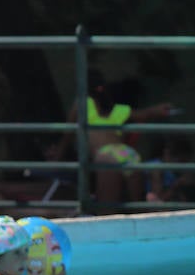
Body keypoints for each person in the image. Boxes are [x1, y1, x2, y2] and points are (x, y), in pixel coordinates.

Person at [52, 70, 175, 213]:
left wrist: (56, 160)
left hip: (107, 156)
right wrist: (161, 109)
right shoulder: (119, 110)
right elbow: (147, 113)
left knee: (107, 213)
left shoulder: (82, 103)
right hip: (128, 154)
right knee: (138, 211)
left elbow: (68, 135)